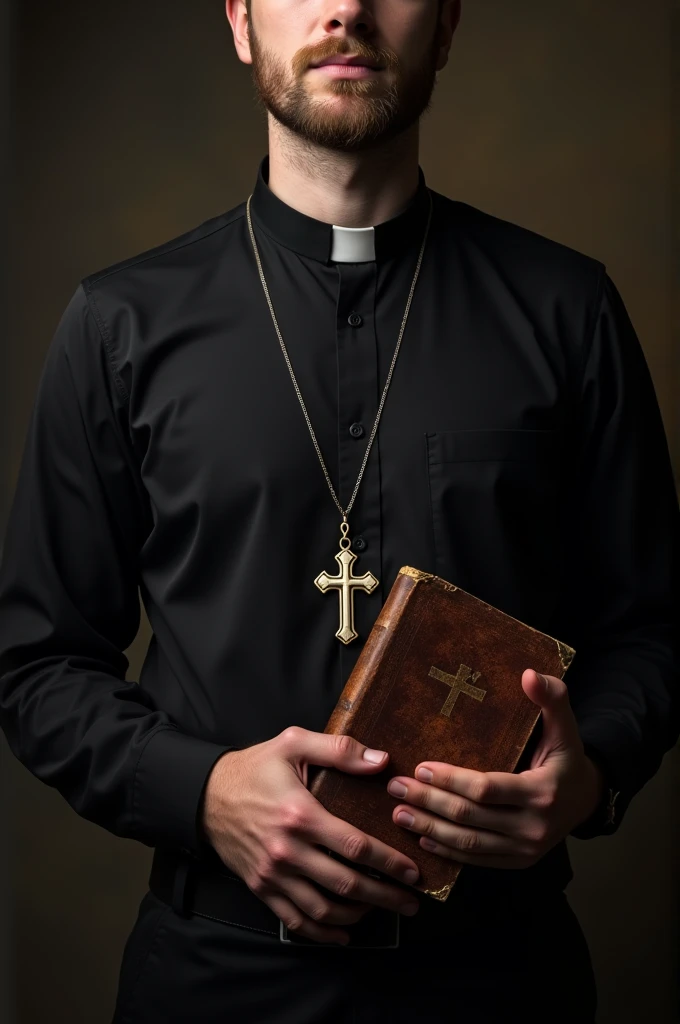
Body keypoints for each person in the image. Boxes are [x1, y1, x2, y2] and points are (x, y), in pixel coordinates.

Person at [1, 0, 678, 1020]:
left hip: (499, 975)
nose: (344, 9)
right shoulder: (118, 325)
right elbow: (37, 660)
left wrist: (587, 777)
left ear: (446, 25)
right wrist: (197, 790)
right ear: (238, 19)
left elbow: (653, 629)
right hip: (212, 977)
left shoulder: (563, 309)